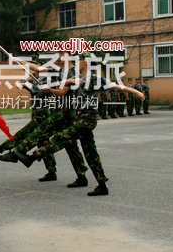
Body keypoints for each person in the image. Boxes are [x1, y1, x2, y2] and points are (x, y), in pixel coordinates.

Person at [13, 69, 145, 196]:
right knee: (90, 152)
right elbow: (62, 92)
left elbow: (116, 86)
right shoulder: (75, 80)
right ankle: (101, 185)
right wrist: (51, 89)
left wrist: (136, 92)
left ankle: (32, 157)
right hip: (79, 116)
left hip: (88, 118)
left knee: (61, 137)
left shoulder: (93, 79)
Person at [0, 53, 90, 188]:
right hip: (60, 110)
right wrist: (18, 60)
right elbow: (38, 69)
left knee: (43, 130)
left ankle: (18, 153)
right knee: (68, 144)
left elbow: (63, 92)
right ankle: (81, 176)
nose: (60, 55)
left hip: (68, 112)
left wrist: (49, 90)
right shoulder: (59, 70)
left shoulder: (74, 73)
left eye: (64, 53)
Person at [0, 71, 60, 182]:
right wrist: (23, 84)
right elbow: (24, 85)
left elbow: (37, 89)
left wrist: (28, 85)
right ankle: (51, 171)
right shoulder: (36, 81)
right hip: (37, 115)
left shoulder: (51, 80)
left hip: (43, 117)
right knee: (43, 142)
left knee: (20, 136)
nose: (33, 72)